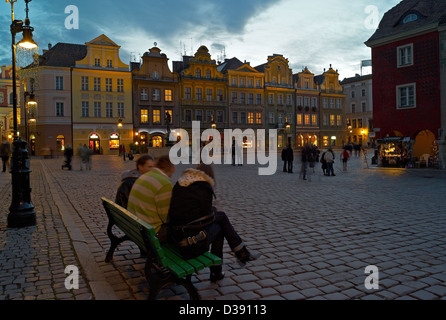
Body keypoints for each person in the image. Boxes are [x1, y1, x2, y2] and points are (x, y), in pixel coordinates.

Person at [168, 164, 258, 282]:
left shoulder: (181, 183)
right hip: (189, 243)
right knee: (221, 224)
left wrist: (215, 212)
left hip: (175, 236)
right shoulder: (203, 187)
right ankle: (228, 263)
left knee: (221, 220)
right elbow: (208, 216)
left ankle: (240, 254)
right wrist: (215, 211)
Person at [127, 156, 175, 239]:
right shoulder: (164, 183)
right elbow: (166, 218)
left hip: (135, 226)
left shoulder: (145, 176)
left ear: (156, 165)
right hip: (151, 232)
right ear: (172, 169)